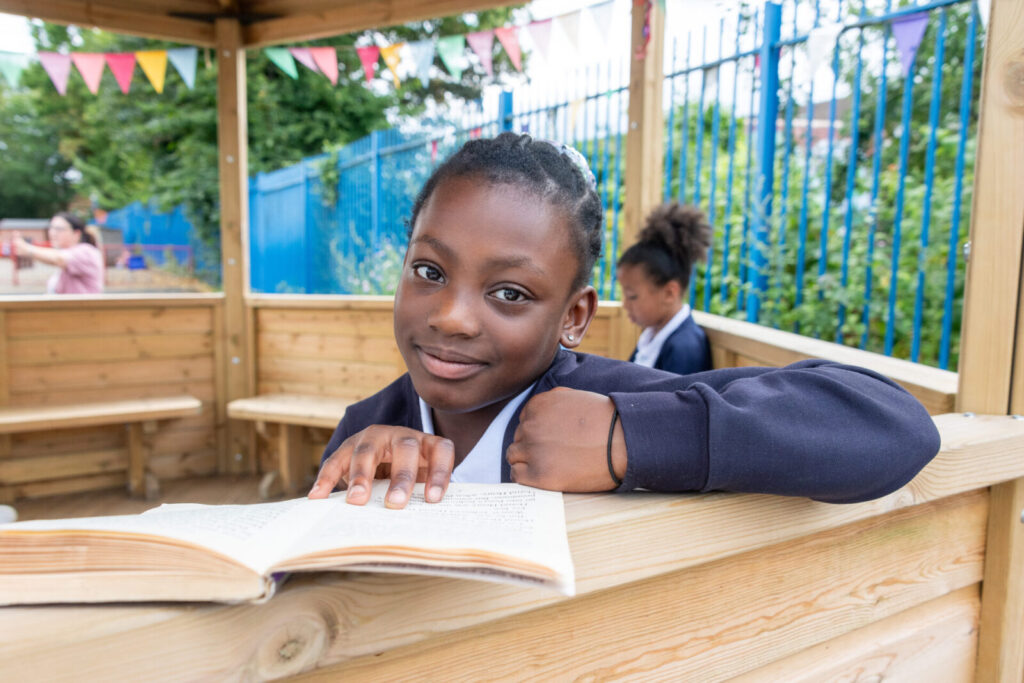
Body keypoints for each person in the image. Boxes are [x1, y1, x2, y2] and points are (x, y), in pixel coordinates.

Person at [310, 132, 939, 510]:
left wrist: (631, 441)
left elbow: (895, 426)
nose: (451, 317)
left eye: (508, 291)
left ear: (574, 316)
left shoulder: (607, 404)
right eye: (429, 272)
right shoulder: (366, 427)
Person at [618, 202, 712, 376]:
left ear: (669, 293)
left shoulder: (684, 348)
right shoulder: (651, 335)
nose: (625, 304)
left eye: (632, 296)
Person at [12, 213, 104, 294]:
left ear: (76, 233)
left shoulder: (86, 251)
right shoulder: (68, 253)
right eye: (51, 228)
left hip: (82, 312)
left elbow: (59, 259)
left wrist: (27, 249)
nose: (52, 233)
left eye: (59, 229)